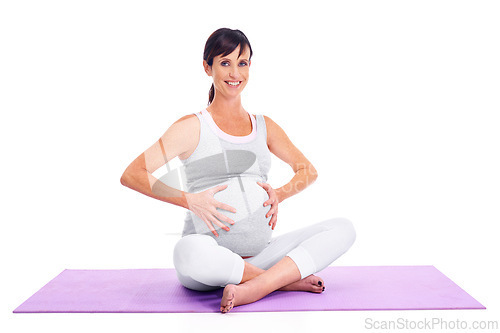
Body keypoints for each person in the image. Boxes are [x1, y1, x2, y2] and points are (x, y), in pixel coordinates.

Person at [120, 28, 356, 313]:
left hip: (262, 255)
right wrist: (189, 199)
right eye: (225, 62)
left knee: (343, 228)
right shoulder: (192, 126)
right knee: (186, 252)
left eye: (242, 63)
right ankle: (281, 282)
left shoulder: (263, 125)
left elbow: (307, 170)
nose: (235, 73)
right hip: (208, 262)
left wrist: (279, 194)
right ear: (207, 67)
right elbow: (133, 173)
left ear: (249, 67)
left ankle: (255, 285)